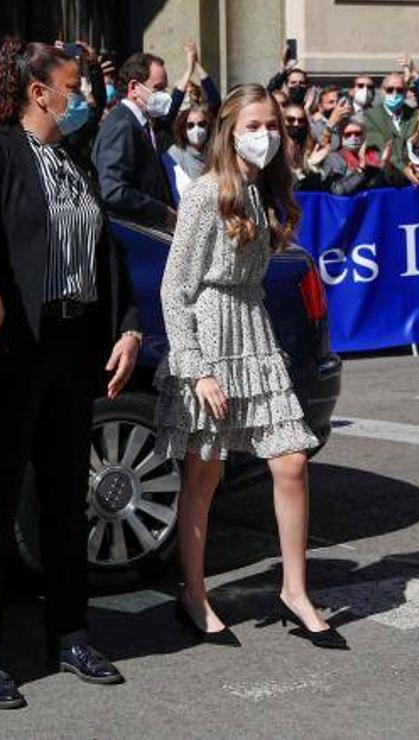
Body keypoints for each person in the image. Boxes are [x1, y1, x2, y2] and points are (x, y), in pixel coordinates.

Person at [0, 39, 142, 709]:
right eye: (73, 84)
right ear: (39, 92)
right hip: (15, 348)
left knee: (66, 500)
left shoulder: (73, 158)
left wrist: (127, 325)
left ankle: (72, 633)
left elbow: (105, 251)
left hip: (72, 343)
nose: (82, 94)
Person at [156, 82, 346, 651]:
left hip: (253, 328)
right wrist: (197, 369)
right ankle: (193, 594)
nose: (265, 136)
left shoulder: (263, 193)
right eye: (253, 126)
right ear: (229, 133)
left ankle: (294, 589)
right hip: (209, 336)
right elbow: (174, 287)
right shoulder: (204, 194)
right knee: (205, 471)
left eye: (272, 126)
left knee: (290, 460)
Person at [93, 52, 177, 229]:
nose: (164, 95)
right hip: (135, 238)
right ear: (133, 88)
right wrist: (163, 213)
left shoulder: (142, 124)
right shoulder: (122, 125)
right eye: (158, 88)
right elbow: (113, 191)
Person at [363, 70, 419, 184]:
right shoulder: (371, 116)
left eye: (399, 90)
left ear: (405, 93)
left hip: (413, 177)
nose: (394, 93)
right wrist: (404, 169)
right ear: (382, 91)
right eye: (390, 90)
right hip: (385, 179)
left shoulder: (415, 115)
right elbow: (382, 147)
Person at [166, 103, 211, 201]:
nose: (197, 129)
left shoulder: (215, 152)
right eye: (190, 126)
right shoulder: (175, 153)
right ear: (183, 129)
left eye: (201, 124)